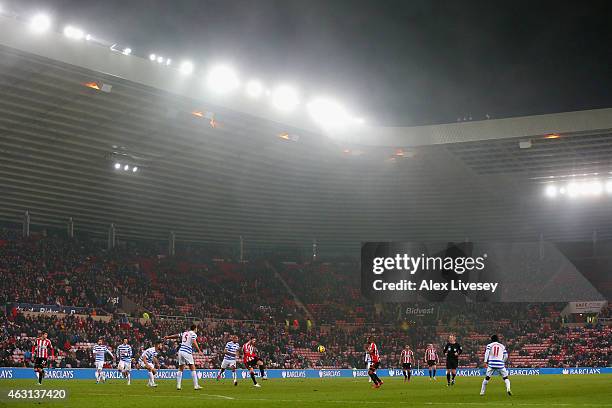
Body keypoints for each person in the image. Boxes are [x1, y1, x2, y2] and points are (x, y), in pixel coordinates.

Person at [164, 324, 202, 390]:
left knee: (181, 368)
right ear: (195, 328)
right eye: (196, 329)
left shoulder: (185, 333)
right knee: (192, 368)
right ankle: (196, 385)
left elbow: (176, 336)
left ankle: (178, 386)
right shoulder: (193, 334)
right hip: (187, 351)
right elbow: (194, 342)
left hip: (180, 351)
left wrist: (168, 337)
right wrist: (199, 350)